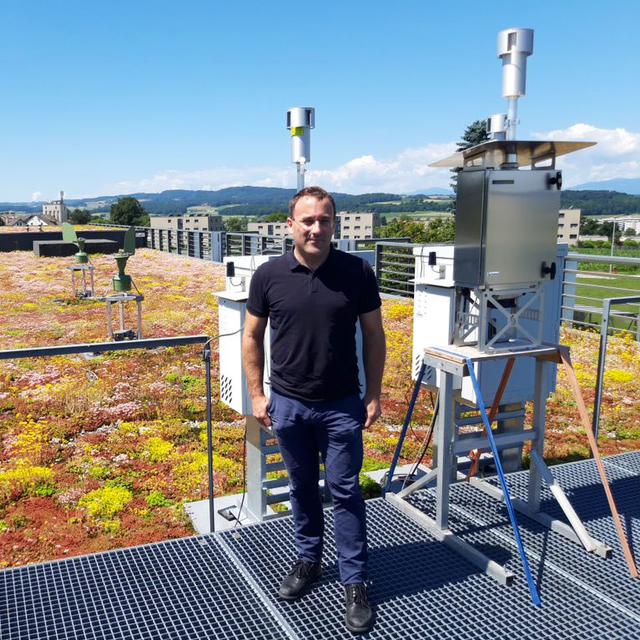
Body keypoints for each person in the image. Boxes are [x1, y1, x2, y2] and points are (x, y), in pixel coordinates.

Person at [242, 186, 386, 635]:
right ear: (291, 225)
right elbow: (251, 337)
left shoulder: (357, 272)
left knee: (345, 492)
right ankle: (308, 561)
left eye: (324, 220)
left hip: (342, 405)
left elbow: (375, 336)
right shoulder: (268, 275)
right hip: (287, 404)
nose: (316, 228)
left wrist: (374, 392)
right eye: (307, 220)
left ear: (334, 224)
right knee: (302, 487)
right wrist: (257, 395)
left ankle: (355, 581)